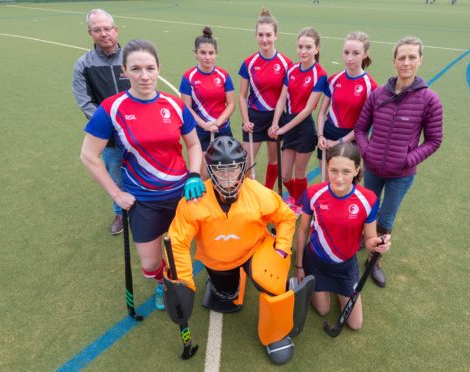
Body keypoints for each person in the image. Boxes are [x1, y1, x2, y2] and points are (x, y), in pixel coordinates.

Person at [166, 136, 315, 365]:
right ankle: (231, 284)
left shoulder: (257, 193)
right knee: (226, 295)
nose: (227, 177)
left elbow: (285, 217)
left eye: (233, 169)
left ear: (242, 168)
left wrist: (282, 249)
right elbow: (177, 242)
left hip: (254, 250)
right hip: (218, 260)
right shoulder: (193, 202)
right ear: (210, 170)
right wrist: (184, 282)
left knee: (270, 281)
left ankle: (275, 333)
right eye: (220, 170)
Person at [81, 39, 206, 311]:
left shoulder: (174, 105)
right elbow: (89, 156)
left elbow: (194, 144)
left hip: (182, 194)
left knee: (184, 249)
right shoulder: (112, 109)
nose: (144, 76)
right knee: (150, 263)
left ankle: (175, 280)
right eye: (136, 69)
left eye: (150, 68)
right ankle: (161, 281)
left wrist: (195, 175)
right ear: (125, 71)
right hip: (143, 200)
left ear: (159, 68)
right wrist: (116, 194)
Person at [354, 36, 443, 288]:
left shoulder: (429, 100)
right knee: (366, 211)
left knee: (386, 220)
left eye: (412, 57)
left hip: (401, 174)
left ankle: (374, 261)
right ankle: (360, 240)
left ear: (420, 60)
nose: (406, 62)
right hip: (372, 167)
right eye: (401, 57)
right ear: (394, 61)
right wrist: (367, 152)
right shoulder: (377, 94)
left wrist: (408, 159)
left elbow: (434, 140)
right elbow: (360, 128)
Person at [295, 143, 391, 330]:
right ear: (327, 168)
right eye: (334, 170)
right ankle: (316, 286)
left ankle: (337, 289)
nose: (339, 178)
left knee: (355, 324)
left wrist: (378, 244)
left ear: (356, 170)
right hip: (316, 261)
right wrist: (299, 266)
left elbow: (370, 238)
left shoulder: (368, 199)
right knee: (323, 310)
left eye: (346, 171)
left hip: (345, 266)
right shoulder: (314, 194)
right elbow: (303, 230)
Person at [72, 9, 130, 235]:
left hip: (137, 133)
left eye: (107, 28)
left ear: (115, 30)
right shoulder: (83, 65)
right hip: (110, 138)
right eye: (97, 30)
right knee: (115, 175)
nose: (103, 33)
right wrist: (110, 126)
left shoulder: (130, 58)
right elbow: (85, 102)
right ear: (90, 33)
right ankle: (120, 212)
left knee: (146, 171)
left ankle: (146, 209)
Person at [268, 27, 327, 214]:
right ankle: (300, 198)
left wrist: (283, 129)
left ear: (317, 49)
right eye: (300, 46)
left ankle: (300, 205)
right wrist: (275, 122)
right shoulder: (292, 68)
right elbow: (281, 99)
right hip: (287, 123)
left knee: (299, 173)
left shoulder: (320, 74)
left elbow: (308, 109)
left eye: (308, 47)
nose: (303, 51)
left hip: (304, 129)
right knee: (285, 175)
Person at [238, 9, 292, 189]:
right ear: (256, 36)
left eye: (268, 35)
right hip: (254, 118)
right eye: (260, 35)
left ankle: (267, 192)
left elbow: (284, 98)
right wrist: (246, 121)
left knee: (274, 159)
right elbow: (242, 96)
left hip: (275, 118)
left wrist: (276, 122)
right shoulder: (249, 63)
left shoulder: (286, 63)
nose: (264, 39)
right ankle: (247, 193)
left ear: (275, 35)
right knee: (244, 161)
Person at [316, 31, 378, 181]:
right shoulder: (334, 79)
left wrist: (339, 142)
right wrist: (320, 136)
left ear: (365, 54)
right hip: (328, 135)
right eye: (346, 53)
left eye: (356, 53)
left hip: (352, 139)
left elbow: (363, 125)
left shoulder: (370, 86)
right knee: (326, 182)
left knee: (346, 185)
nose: (349, 58)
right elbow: (321, 113)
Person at [180, 26, 236, 180]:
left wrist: (217, 123)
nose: (207, 57)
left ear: (216, 54)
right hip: (199, 131)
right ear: (196, 54)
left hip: (222, 129)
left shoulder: (223, 75)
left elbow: (231, 104)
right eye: (203, 53)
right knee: (204, 173)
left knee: (226, 172)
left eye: (211, 53)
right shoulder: (188, 77)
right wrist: (205, 125)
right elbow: (187, 108)